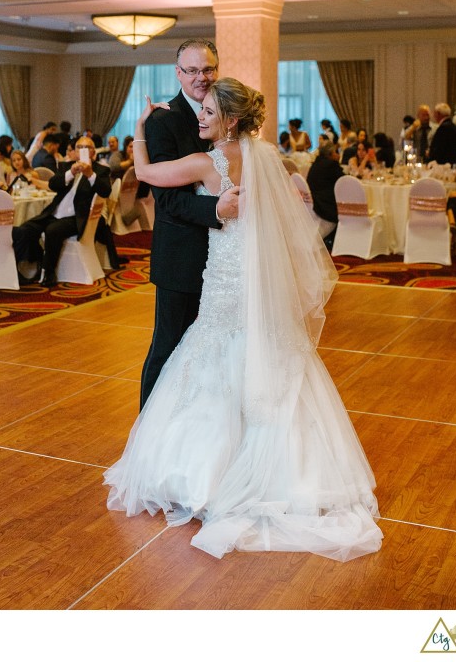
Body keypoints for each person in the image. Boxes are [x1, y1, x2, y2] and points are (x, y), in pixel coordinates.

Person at [104, 79, 382, 561]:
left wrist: (141, 130)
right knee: (260, 353)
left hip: (225, 280)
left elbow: (146, 173)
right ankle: (286, 470)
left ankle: (209, 473)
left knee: (211, 353)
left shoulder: (206, 163)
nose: (200, 117)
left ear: (230, 118)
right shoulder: (270, 157)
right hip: (255, 280)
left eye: (209, 111)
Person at [139, 38, 239, 408]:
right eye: (193, 70)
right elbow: (166, 199)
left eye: (208, 69)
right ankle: (147, 432)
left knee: (216, 351)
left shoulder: (230, 114)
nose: (202, 77)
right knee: (169, 345)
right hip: (182, 254)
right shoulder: (164, 120)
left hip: (227, 259)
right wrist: (215, 211)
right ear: (178, 73)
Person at [12, 135, 112, 286]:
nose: (83, 151)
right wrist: (71, 173)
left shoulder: (101, 170)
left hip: (76, 218)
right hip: (54, 214)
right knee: (24, 229)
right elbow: (53, 184)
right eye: (79, 148)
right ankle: (34, 264)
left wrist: (90, 174)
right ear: (75, 152)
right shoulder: (67, 167)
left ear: (93, 152)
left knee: (52, 230)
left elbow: (105, 191)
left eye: (87, 148)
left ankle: (49, 272)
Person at [306, 140, 343, 245]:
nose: (338, 155)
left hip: (315, 202)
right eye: (336, 152)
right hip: (326, 205)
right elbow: (343, 181)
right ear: (330, 154)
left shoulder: (315, 164)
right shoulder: (331, 164)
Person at [427, 103, 456, 168]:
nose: (433, 115)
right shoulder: (455, 127)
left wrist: (430, 155)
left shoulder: (443, 128)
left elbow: (439, 149)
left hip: (444, 167)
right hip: (454, 165)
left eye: (434, 113)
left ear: (438, 114)